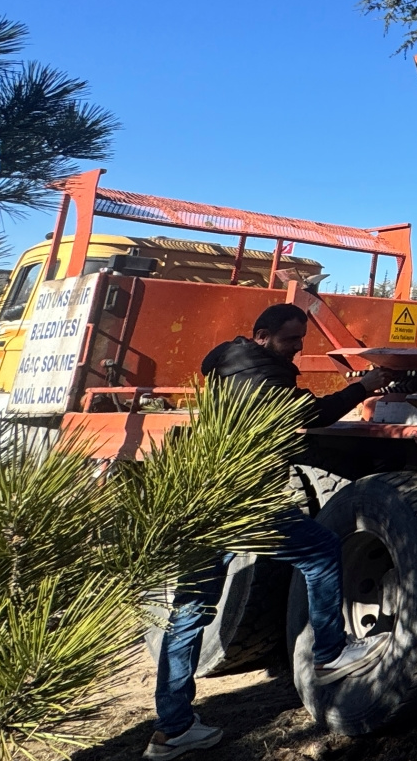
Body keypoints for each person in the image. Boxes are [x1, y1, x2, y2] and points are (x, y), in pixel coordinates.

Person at [146, 304, 391, 759]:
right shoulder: (265, 378)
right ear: (262, 336)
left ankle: (172, 727)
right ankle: (330, 653)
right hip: (237, 498)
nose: (297, 349)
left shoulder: (226, 361)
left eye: (301, 341)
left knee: (189, 611)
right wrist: (364, 387)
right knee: (321, 551)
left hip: (198, 493)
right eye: (289, 341)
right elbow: (314, 414)